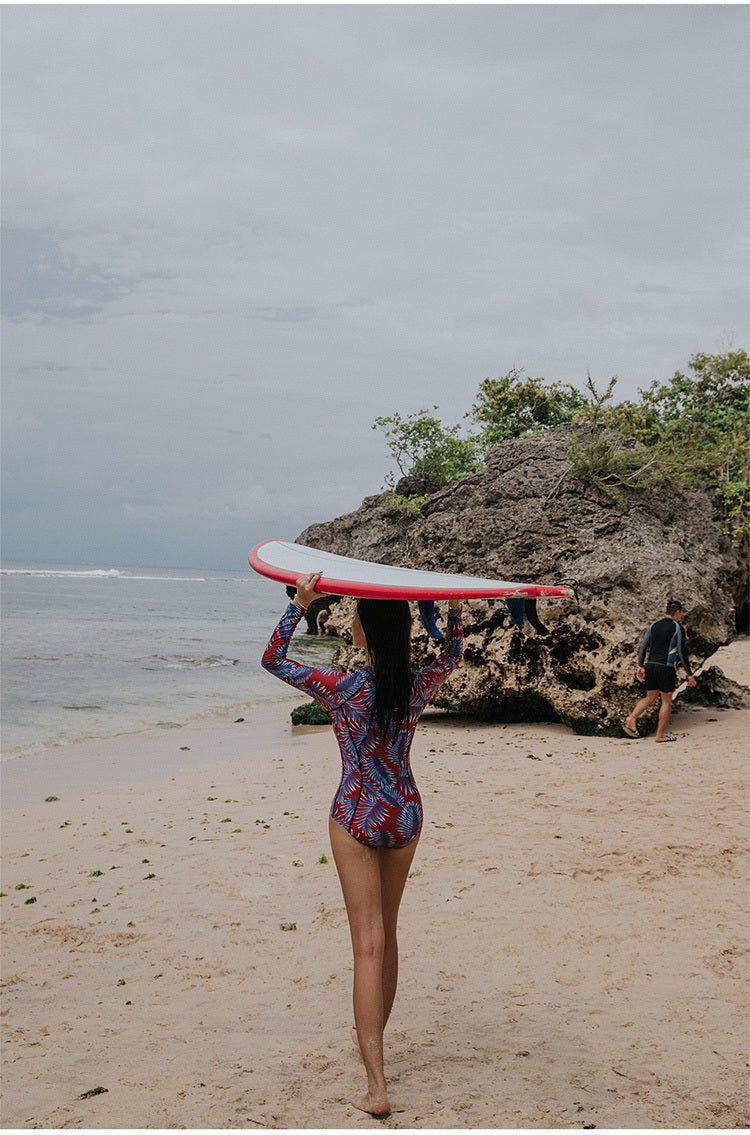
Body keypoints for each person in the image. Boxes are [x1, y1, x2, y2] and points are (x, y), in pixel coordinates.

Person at [262, 572, 463, 1118]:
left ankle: (376, 1085)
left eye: (354, 615)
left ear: (364, 631)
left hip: (355, 813)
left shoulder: (342, 688)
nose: (347, 620)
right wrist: (451, 611)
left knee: (366, 947)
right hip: (404, 812)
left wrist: (301, 605)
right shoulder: (417, 685)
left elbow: (273, 660)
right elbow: (453, 654)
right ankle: (378, 1053)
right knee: (388, 936)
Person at [624, 599, 697, 742]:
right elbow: (681, 653)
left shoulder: (654, 626)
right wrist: (690, 675)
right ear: (677, 613)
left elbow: (643, 646)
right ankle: (660, 736)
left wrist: (640, 666)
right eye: (680, 614)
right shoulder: (677, 628)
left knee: (650, 698)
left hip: (650, 666)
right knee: (666, 702)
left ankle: (631, 718)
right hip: (665, 668)